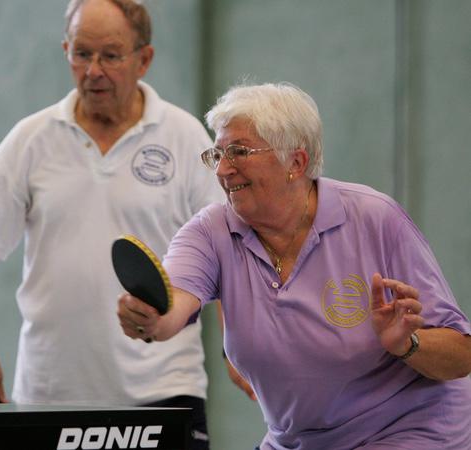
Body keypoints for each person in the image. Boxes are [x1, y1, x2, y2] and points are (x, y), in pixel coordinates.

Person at [118, 82, 471, 449]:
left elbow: (461, 356)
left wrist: (407, 344)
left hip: (408, 430)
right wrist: (150, 317)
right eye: (217, 154)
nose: (223, 170)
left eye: (239, 152)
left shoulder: (375, 218)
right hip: (297, 440)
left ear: (296, 163)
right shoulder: (211, 231)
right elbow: (174, 303)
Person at [0, 1, 224, 448]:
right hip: (48, 397)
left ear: (144, 59)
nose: (93, 70)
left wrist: (240, 346)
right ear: (66, 51)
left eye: (111, 56)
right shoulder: (30, 140)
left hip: (164, 393)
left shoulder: (185, 136)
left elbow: (224, 249)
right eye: (81, 54)